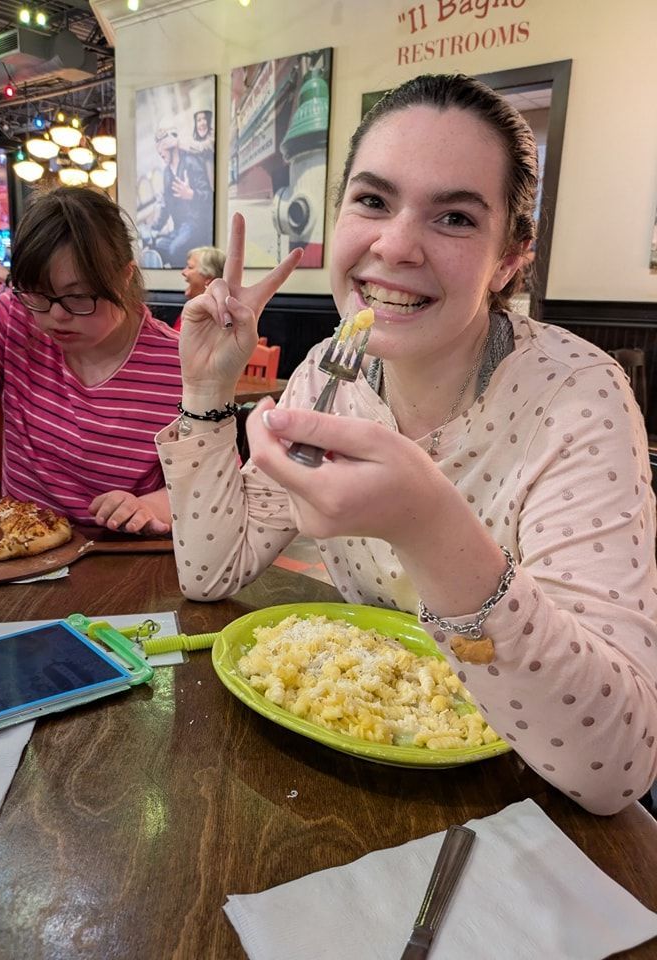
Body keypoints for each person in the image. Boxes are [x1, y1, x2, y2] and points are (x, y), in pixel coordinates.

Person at [156, 73, 657, 816]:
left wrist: (427, 523)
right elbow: (210, 572)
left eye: (454, 217)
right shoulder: (328, 371)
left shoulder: (578, 392)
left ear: (511, 258)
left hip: (522, 798)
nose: (394, 245)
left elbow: (616, 766)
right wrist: (206, 393)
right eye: (372, 200)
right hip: (353, 777)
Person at [0, 186, 181, 534]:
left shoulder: (178, 361)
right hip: (20, 547)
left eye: (78, 295)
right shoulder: (15, 316)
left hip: (123, 561)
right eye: (39, 294)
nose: (56, 315)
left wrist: (150, 506)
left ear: (124, 276)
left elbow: (211, 484)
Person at [149, 122, 213, 268]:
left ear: (170, 146)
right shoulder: (166, 173)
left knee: (174, 250)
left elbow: (208, 196)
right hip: (179, 228)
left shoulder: (191, 162)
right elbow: (165, 206)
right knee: (158, 244)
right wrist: (155, 228)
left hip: (195, 225)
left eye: (162, 150)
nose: (160, 153)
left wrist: (191, 195)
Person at [173, 245, 226, 332]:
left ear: (208, 278)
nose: (183, 272)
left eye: (190, 267)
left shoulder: (211, 315)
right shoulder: (193, 306)